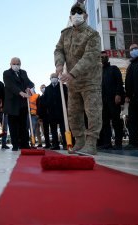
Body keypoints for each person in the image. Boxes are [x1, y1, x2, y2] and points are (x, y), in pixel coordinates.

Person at [54, 2, 103, 155]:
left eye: (79, 12)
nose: (76, 15)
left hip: (90, 80)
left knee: (92, 111)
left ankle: (91, 143)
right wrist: (59, 65)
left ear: (86, 15)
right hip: (73, 83)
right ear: (70, 16)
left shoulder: (93, 35)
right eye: (73, 13)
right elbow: (58, 49)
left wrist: (72, 73)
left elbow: (89, 57)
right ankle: (80, 141)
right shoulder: (65, 34)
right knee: (73, 113)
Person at [3, 57, 34, 151]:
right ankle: (15, 144)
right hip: (12, 104)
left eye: (18, 64)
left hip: (23, 104)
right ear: (10, 64)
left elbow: (30, 83)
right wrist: (20, 92)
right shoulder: (7, 73)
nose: (16, 65)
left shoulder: (23, 72)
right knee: (13, 126)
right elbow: (10, 85)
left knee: (23, 125)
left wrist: (29, 88)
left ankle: (24, 144)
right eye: (14, 63)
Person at [98, 51, 125, 150]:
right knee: (105, 122)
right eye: (100, 57)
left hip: (113, 99)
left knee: (116, 121)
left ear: (108, 57)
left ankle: (118, 143)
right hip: (102, 101)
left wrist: (118, 94)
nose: (102, 59)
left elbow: (119, 82)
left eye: (104, 57)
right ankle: (107, 143)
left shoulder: (114, 69)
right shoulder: (98, 72)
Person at [43, 74, 68, 150]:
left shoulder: (63, 87)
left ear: (58, 78)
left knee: (63, 129)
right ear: (50, 79)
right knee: (53, 130)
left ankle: (65, 144)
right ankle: (55, 144)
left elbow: (66, 97)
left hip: (61, 112)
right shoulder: (47, 88)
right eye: (52, 77)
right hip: (51, 112)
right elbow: (45, 100)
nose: (54, 79)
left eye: (55, 77)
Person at [37, 84, 51, 148]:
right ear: (40, 89)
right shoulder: (40, 97)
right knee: (45, 130)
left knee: (53, 130)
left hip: (51, 115)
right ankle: (47, 143)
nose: (43, 88)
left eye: (44, 87)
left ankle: (55, 143)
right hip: (44, 116)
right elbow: (39, 107)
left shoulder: (50, 95)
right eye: (42, 88)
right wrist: (40, 116)